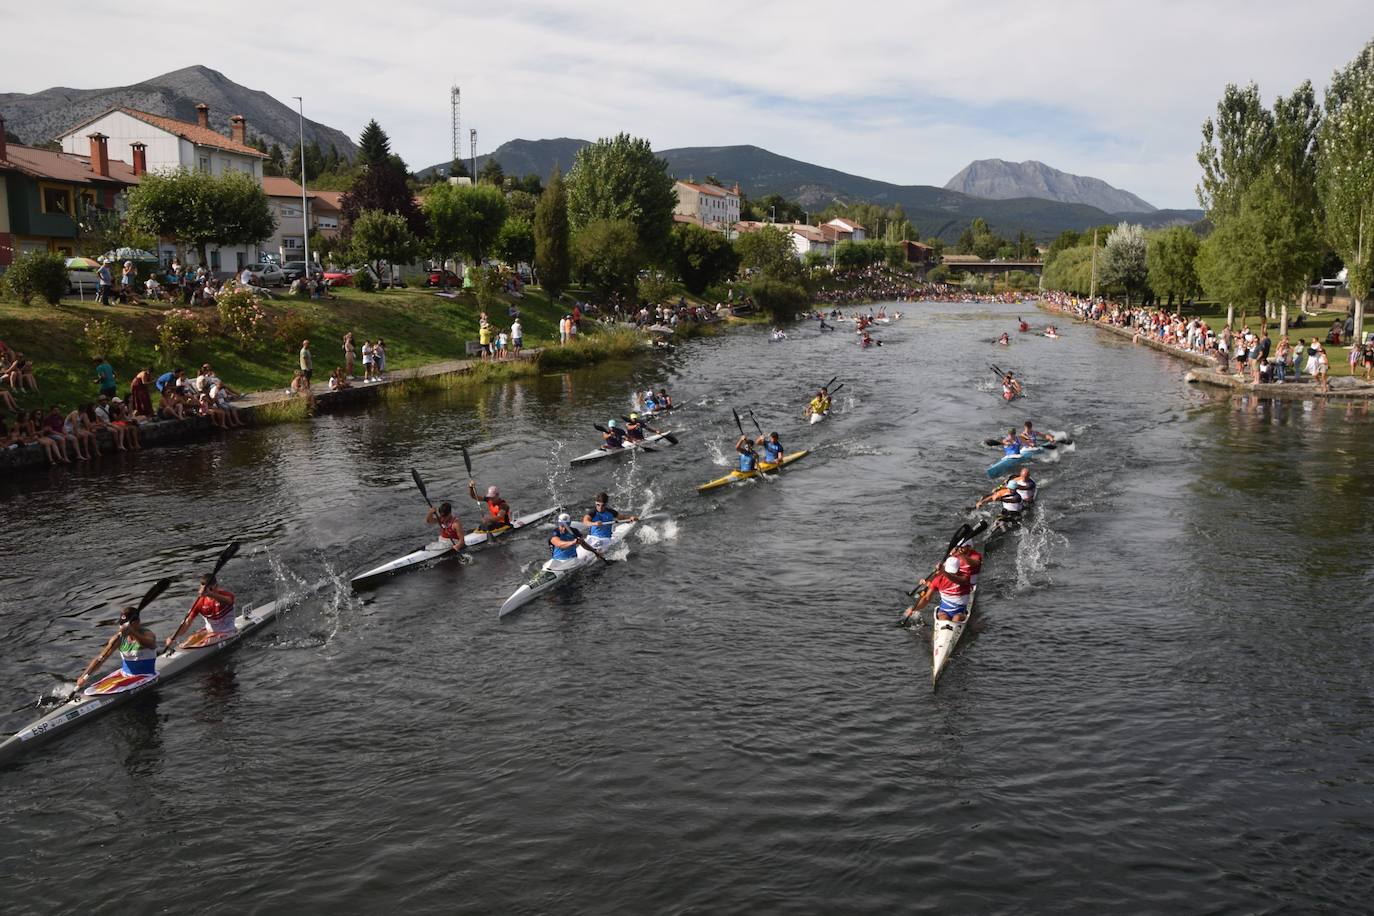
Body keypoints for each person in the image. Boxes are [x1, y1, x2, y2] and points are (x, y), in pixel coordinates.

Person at [75, 604, 158, 690]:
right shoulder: (118, 639)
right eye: (121, 624)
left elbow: (150, 644)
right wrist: (83, 676)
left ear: (137, 622)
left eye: (124, 625)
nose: (121, 627)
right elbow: (101, 658)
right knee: (93, 689)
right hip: (124, 676)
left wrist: (132, 632)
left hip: (146, 676)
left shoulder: (147, 634)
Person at [164, 574, 237, 650]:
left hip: (228, 631)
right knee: (191, 639)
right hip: (210, 632)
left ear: (216, 586)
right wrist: (172, 637)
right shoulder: (200, 602)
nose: (206, 592)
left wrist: (210, 594)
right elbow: (187, 623)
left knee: (205, 641)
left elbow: (228, 601)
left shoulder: (227, 595)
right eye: (204, 589)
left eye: (210, 589)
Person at [903, 555, 972, 625]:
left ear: (959, 569)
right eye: (949, 571)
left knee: (956, 618)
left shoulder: (965, 576)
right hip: (944, 611)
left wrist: (944, 572)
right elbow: (926, 598)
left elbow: (959, 580)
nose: (951, 573)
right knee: (944, 619)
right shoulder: (938, 579)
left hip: (960, 612)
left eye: (953, 571)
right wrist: (914, 609)